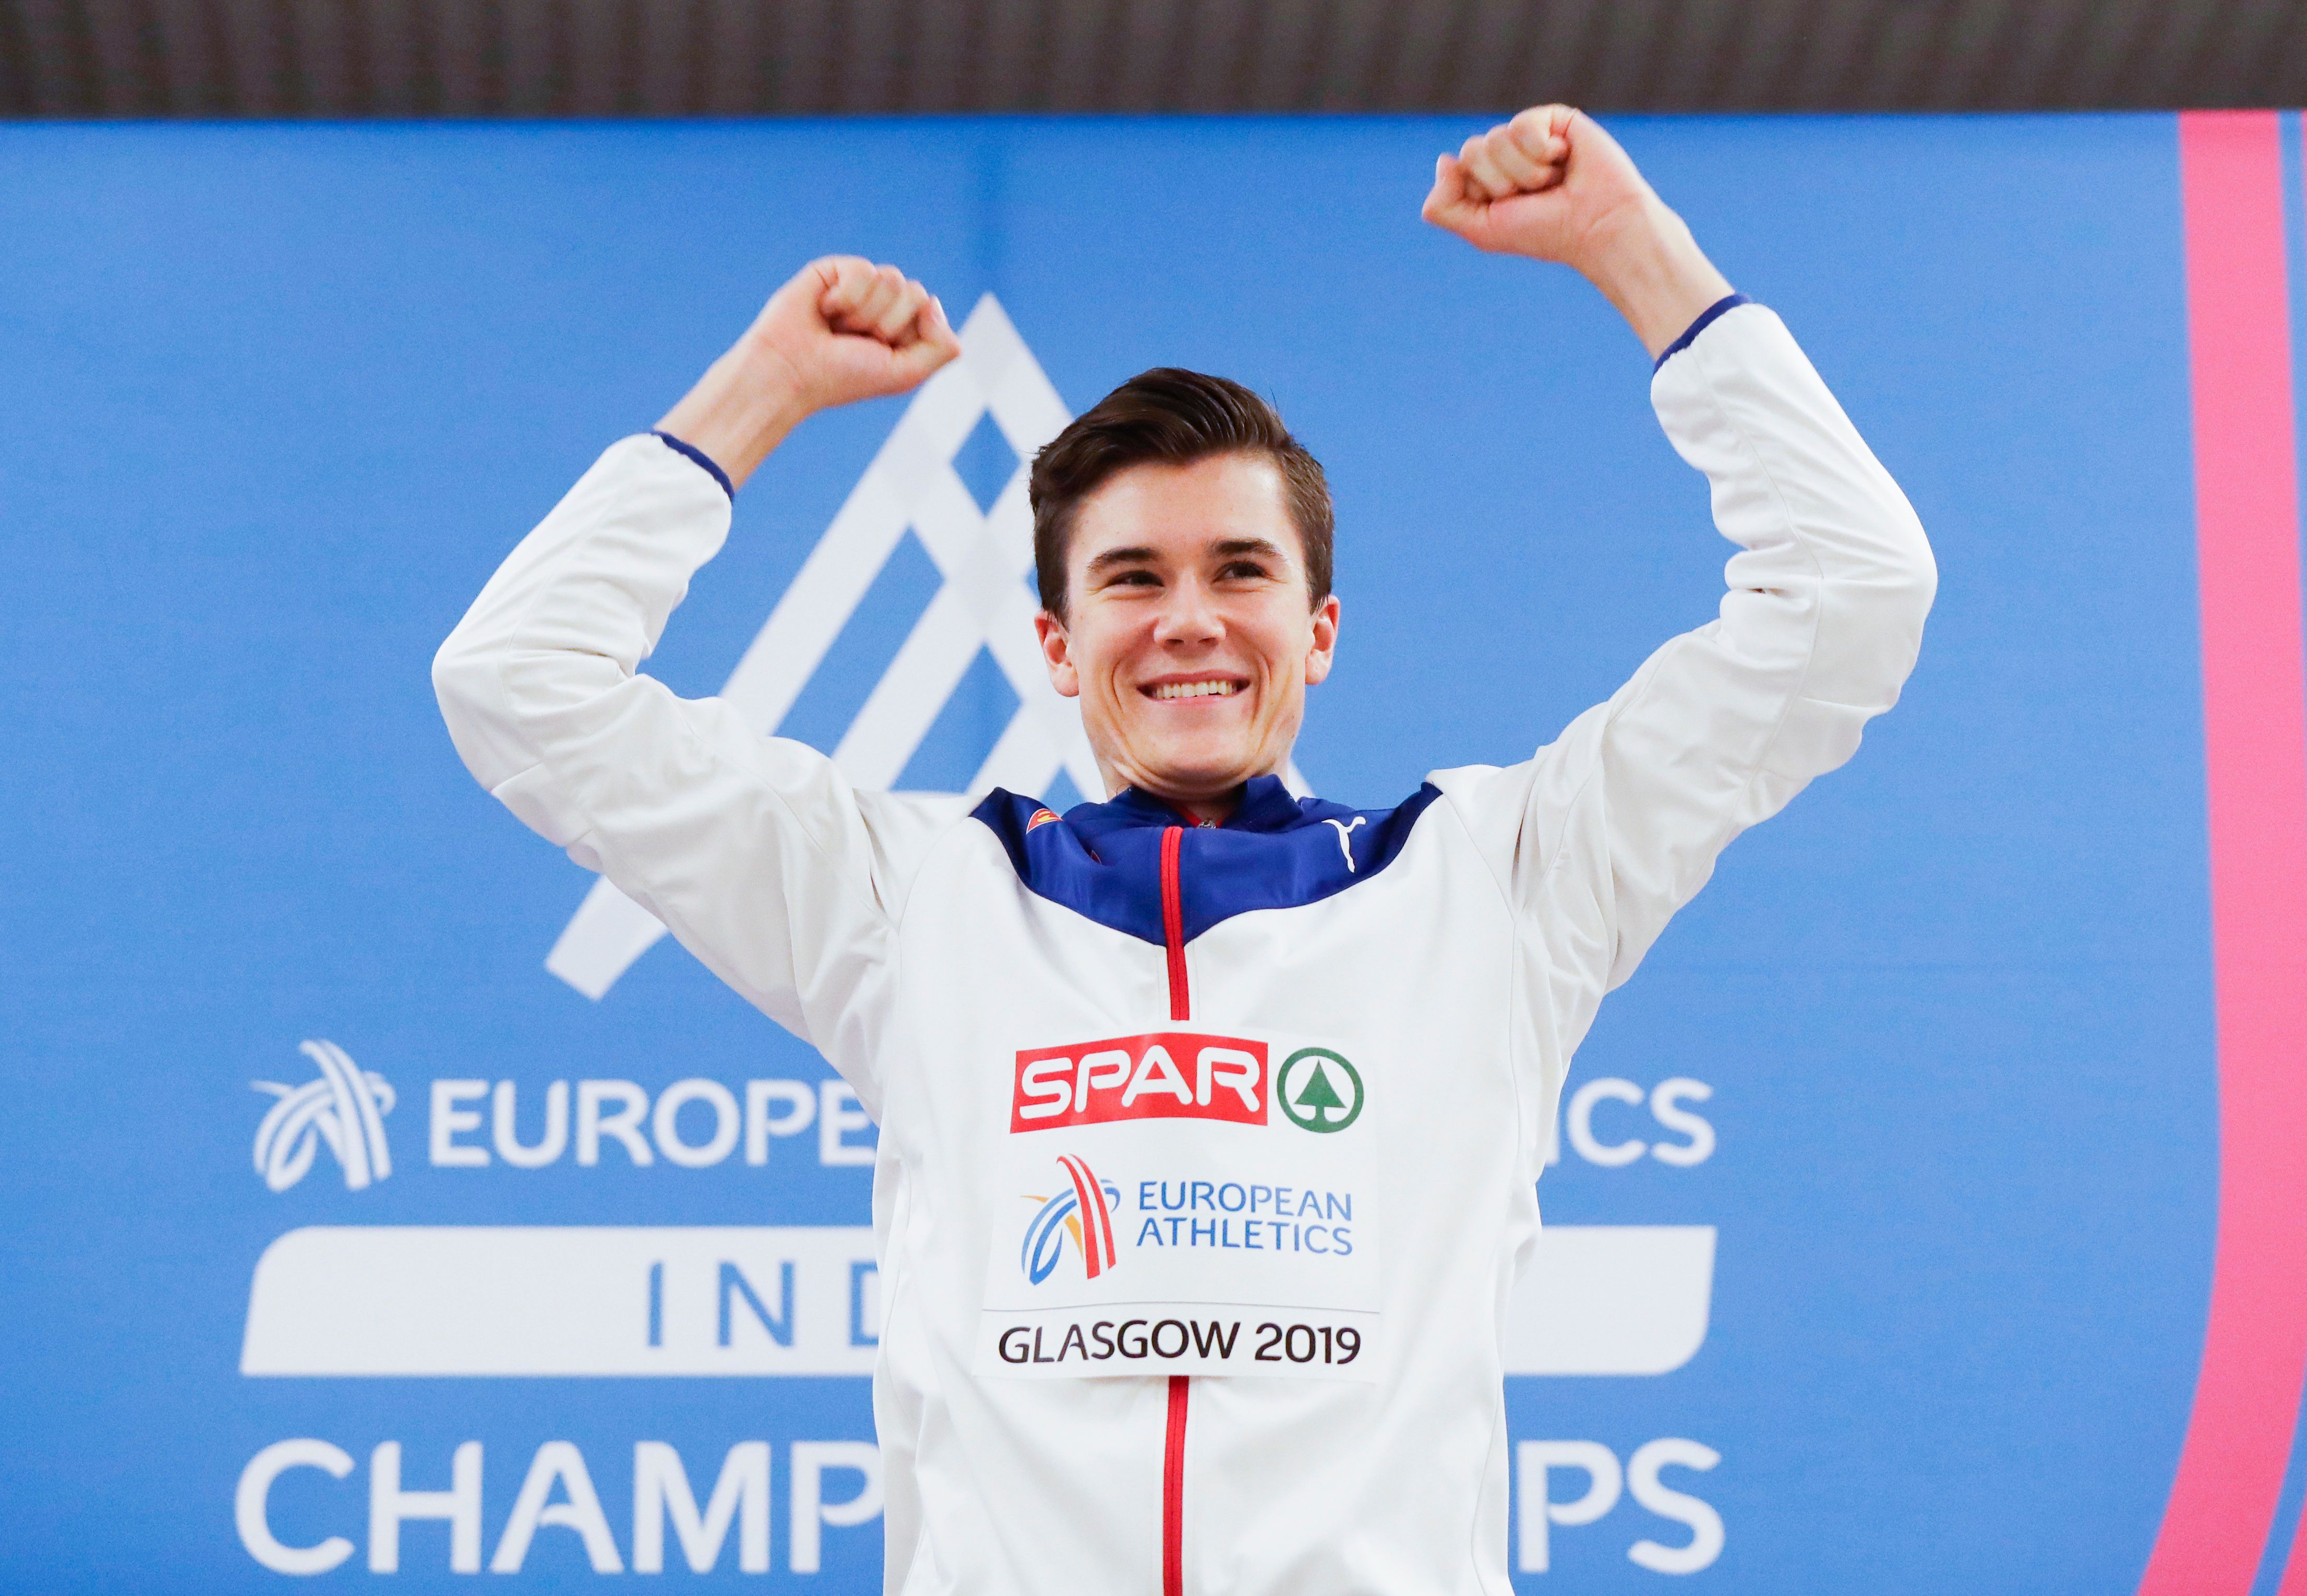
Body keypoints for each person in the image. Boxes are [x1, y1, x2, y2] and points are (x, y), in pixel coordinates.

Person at [436, 105, 1933, 1595]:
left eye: (1241, 570)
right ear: (1057, 643)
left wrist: (1634, 250)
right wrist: (762, 391)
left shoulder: (1498, 880)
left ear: (1319, 629)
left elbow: (1852, 589)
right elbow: (517, 680)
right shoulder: (913, 897)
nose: (1190, 620)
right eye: (1133, 578)